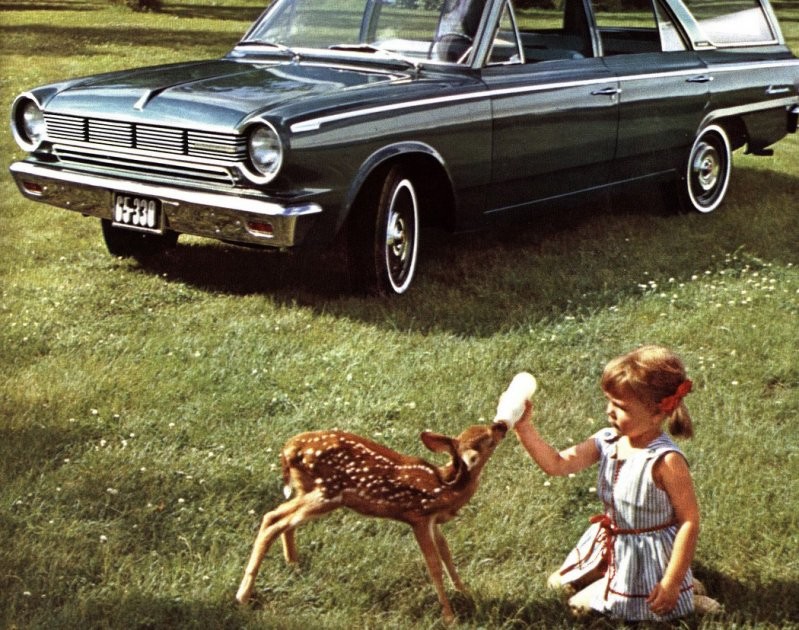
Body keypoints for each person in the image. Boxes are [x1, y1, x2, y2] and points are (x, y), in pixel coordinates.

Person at [500, 345, 721, 620]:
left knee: (578, 608)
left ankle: (681, 589)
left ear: (656, 414)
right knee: (557, 584)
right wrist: (524, 427)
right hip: (615, 540)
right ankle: (680, 584)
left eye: (620, 406)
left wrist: (672, 582)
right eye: (609, 401)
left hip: (646, 552)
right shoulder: (607, 441)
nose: (609, 411)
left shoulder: (666, 461)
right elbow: (556, 464)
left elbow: (689, 521)